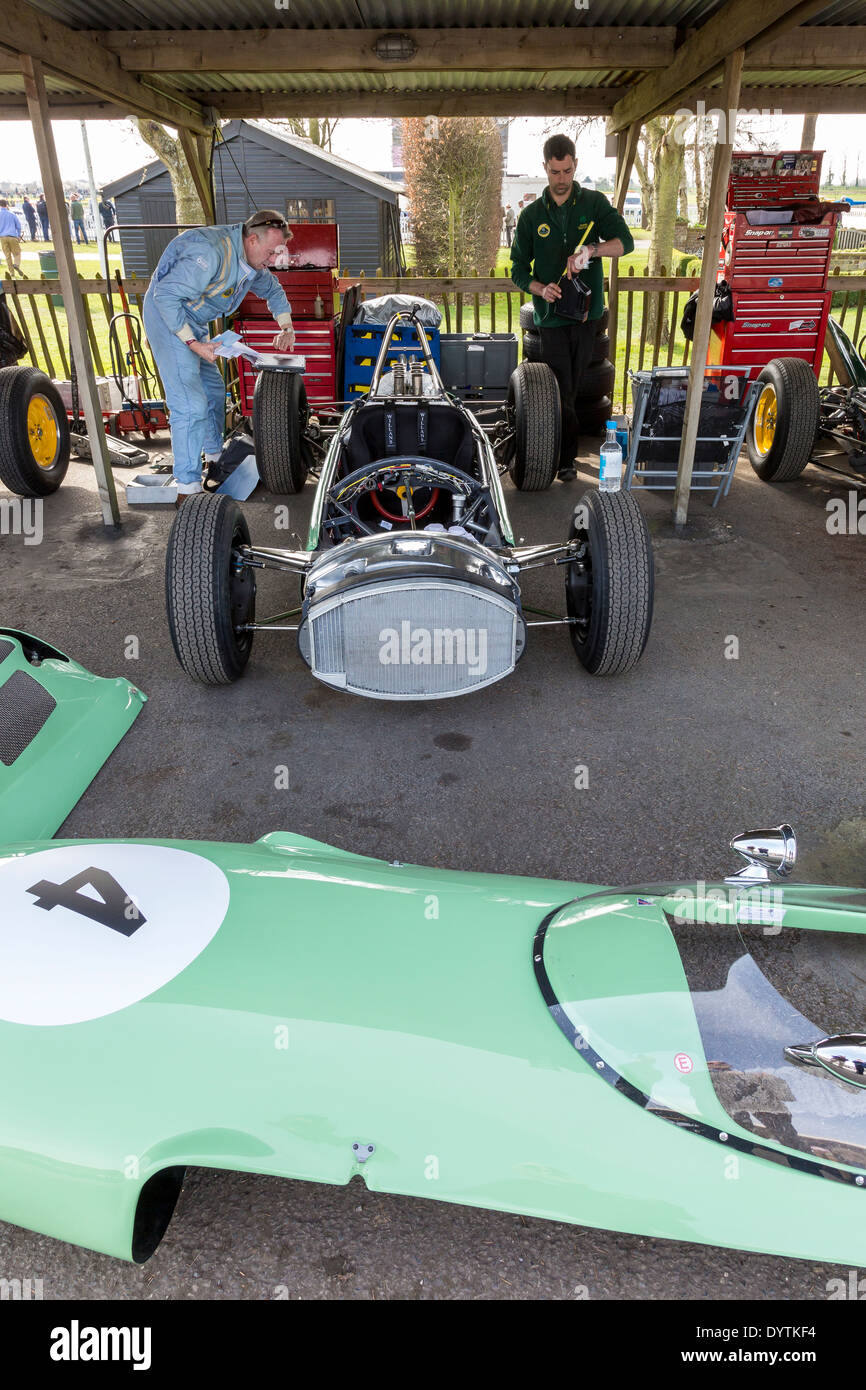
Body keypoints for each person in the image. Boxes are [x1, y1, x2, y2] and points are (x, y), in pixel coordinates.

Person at [142, 210, 296, 500]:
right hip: (168, 318)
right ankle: (186, 490)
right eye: (271, 251)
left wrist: (286, 327)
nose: (274, 259)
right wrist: (193, 344)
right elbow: (165, 297)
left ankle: (214, 460)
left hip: (194, 322)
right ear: (252, 239)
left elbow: (273, 291)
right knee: (191, 405)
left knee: (213, 392)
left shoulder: (250, 263)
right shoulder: (211, 253)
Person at [510, 134, 634, 481]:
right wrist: (539, 287)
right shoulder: (531, 216)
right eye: (554, 172)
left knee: (575, 388)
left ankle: (565, 455)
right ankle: (564, 460)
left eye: (566, 171)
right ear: (545, 169)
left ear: (575, 165)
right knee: (560, 389)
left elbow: (625, 244)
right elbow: (517, 268)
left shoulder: (594, 203)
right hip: (549, 318)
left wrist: (591, 251)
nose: (561, 179)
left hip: (585, 316)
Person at [0, 200, 23, 277]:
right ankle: (16, 265)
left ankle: (12, 273)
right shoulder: (12, 214)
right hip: (12, 236)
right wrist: (19, 236)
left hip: (2, 237)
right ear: (6, 205)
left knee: (7, 256)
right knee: (17, 253)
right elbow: (18, 226)